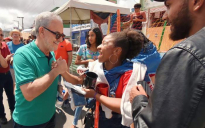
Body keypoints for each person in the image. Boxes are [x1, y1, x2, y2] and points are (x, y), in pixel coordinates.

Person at [130, 0, 205, 128]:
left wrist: (138, 100)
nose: (164, 16)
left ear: (196, 2)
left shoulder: (186, 54)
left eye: (168, 5)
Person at [12, 12, 83, 128]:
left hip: (50, 117)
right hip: (29, 122)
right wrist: (56, 71)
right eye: (57, 35)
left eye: (62, 36)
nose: (60, 40)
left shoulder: (51, 53)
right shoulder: (22, 54)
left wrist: (58, 88)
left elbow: (48, 79)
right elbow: (29, 93)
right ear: (42, 31)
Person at [83, 29, 146, 128]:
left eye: (104, 43)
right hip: (97, 120)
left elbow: (126, 105)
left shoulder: (131, 72)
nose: (99, 47)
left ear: (117, 50)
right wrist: (61, 71)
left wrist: (95, 95)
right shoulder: (97, 66)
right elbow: (79, 80)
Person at [71, 27, 102, 128]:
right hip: (84, 77)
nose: (90, 38)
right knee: (81, 99)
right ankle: (74, 123)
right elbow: (76, 61)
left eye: (92, 35)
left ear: (98, 36)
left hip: (98, 78)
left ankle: (94, 121)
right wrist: (87, 61)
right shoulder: (83, 48)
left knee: (95, 100)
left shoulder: (101, 48)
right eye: (89, 35)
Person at [0, 28, 15, 125]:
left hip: (7, 74)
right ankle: (2, 117)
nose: (0, 37)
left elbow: (9, 58)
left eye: (1, 35)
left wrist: (11, 59)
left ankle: (13, 112)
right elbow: (4, 64)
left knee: (11, 95)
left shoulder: (5, 45)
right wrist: (6, 59)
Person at [54, 37, 72, 108]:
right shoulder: (54, 42)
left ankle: (66, 99)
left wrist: (68, 67)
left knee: (67, 84)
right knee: (57, 85)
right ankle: (57, 99)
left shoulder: (67, 43)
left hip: (64, 69)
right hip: (56, 68)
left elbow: (70, 56)